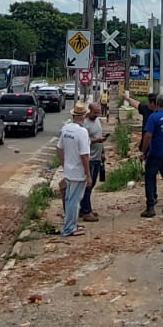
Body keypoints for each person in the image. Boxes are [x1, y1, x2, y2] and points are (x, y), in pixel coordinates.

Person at [57, 102, 92, 237]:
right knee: (74, 201)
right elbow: (84, 155)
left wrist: (64, 164)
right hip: (78, 172)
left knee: (69, 199)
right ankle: (69, 228)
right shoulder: (82, 132)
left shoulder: (66, 129)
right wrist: (88, 174)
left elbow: (59, 148)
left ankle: (71, 223)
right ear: (84, 116)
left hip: (69, 170)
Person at [79, 101, 108, 221]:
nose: (97, 114)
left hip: (97, 158)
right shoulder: (85, 125)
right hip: (89, 159)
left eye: (99, 112)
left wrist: (103, 152)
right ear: (89, 111)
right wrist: (96, 140)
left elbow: (99, 136)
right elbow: (84, 142)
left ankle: (85, 208)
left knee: (92, 185)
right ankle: (86, 211)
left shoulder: (97, 121)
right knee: (88, 185)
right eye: (95, 112)